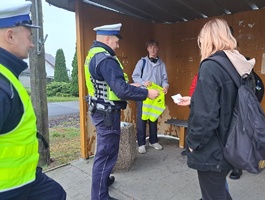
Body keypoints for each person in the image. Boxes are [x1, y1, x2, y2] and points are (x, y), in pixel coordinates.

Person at [176, 18, 256, 200]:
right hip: (233, 142)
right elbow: (226, 99)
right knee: (218, 192)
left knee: (213, 195)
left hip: (214, 147)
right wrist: (195, 99)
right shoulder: (237, 64)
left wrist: (193, 143)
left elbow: (206, 117)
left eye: (201, 40)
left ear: (209, 39)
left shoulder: (210, 66)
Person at [84, 23, 159, 200]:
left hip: (100, 109)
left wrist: (133, 85)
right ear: (107, 39)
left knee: (106, 150)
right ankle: (100, 196)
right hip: (107, 113)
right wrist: (146, 93)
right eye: (116, 41)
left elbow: (110, 85)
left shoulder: (94, 54)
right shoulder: (106, 59)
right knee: (106, 153)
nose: (118, 45)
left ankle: (103, 180)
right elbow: (121, 91)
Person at [0, 1, 66, 200]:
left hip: (25, 178)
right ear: (10, 36)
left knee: (55, 194)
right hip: (8, 187)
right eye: (29, 36)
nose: (31, 44)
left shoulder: (8, 76)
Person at [132, 39, 169, 154]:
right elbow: (135, 76)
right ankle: (141, 143)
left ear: (158, 49)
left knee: (153, 117)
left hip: (156, 95)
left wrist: (165, 87)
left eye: (155, 47)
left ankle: (153, 141)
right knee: (142, 119)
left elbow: (164, 79)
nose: (153, 50)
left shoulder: (161, 63)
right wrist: (143, 82)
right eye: (150, 47)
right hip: (143, 94)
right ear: (147, 49)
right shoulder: (142, 62)